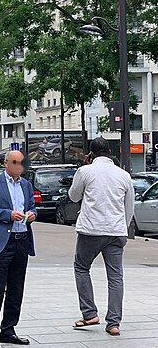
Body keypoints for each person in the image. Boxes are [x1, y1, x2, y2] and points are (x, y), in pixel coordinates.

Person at [68, 137, 133, 336]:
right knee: (115, 276)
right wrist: (124, 227)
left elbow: (74, 196)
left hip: (91, 230)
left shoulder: (85, 171)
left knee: (81, 267)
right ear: (109, 152)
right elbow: (128, 207)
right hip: (116, 230)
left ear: (91, 153)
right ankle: (113, 323)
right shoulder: (123, 175)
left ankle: (90, 313)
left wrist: (85, 168)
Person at [0, 150, 36, 348]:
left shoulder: (26, 185)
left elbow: (32, 207)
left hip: (22, 239)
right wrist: (7, 214)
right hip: (2, 240)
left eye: (22, 162)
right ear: (6, 163)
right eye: (15, 162)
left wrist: (31, 214)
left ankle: (9, 329)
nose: (19, 166)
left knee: (16, 287)